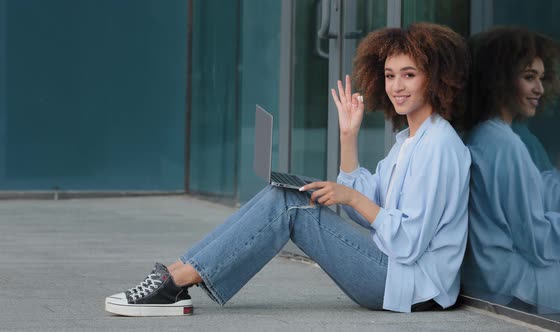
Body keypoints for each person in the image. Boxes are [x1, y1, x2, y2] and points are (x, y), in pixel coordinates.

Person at [105, 22, 471, 316]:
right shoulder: (408, 141)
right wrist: (348, 136)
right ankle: (179, 275)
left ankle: (175, 281)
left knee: (289, 205)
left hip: (409, 284)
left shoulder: (439, 146)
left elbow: (406, 243)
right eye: (390, 76)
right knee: (287, 193)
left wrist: (352, 197)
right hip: (390, 272)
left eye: (409, 75)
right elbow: (365, 208)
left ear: (435, 78)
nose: (396, 86)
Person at [461, 27, 560, 314]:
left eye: (541, 77)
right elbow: (538, 241)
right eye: (529, 77)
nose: (540, 89)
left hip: (491, 285)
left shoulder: (488, 136)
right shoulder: (504, 145)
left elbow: (535, 199)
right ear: (500, 79)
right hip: (511, 292)